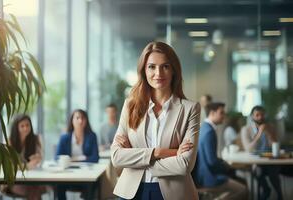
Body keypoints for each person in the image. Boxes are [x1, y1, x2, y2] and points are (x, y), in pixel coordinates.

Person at [111, 41, 200, 200]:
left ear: (174, 70)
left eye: (165, 66)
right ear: (144, 71)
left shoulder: (190, 109)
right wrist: (162, 153)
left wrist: (136, 158)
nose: (158, 73)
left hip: (173, 193)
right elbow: (117, 157)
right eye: (151, 66)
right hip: (131, 192)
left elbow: (185, 165)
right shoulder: (130, 106)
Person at [195, 103, 247, 200]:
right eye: (221, 113)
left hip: (201, 176)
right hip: (208, 178)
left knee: (239, 180)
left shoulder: (204, 127)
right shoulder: (209, 131)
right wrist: (227, 167)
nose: (224, 116)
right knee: (243, 190)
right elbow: (212, 161)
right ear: (212, 113)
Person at [55, 109, 99, 200]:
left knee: (94, 185)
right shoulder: (64, 138)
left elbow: (95, 158)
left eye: (83, 118)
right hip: (68, 175)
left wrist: (74, 159)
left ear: (86, 121)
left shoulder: (92, 136)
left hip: (86, 175)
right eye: (77, 118)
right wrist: (84, 158)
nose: (80, 121)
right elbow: (57, 157)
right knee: (58, 185)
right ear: (72, 121)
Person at [241, 105, 283, 200]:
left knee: (273, 172)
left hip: (270, 159)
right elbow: (248, 149)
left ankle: (280, 195)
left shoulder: (271, 127)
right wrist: (259, 133)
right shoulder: (246, 129)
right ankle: (266, 190)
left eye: (262, 115)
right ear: (252, 116)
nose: (260, 117)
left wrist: (269, 133)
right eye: (257, 115)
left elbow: (276, 146)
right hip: (256, 161)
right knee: (258, 171)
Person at [2, 114, 45, 200]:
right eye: (22, 126)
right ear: (16, 127)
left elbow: (40, 161)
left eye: (27, 125)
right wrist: (27, 166)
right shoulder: (9, 142)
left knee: (37, 188)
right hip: (14, 182)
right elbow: (9, 167)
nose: (25, 128)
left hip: (33, 179)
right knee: (35, 190)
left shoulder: (36, 139)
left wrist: (39, 158)